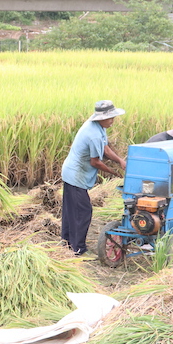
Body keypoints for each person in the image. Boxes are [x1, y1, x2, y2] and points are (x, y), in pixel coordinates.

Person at [60, 100, 127, 256]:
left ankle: (67, 242)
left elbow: (105, 148)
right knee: (83, 212)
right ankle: (78, 249)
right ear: (101, 118)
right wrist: (113, 173)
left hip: (73, 173)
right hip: (75, 175)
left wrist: (119, 160)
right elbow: (95, 161)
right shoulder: (94, 134)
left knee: (72, 210)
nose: (113, 121)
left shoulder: (98, 127)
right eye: (110, 118)